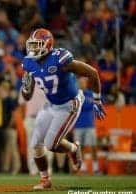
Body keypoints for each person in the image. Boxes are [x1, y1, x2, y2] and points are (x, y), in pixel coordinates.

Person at [21, 28, 106, 190]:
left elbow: (92, 73)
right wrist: (25, 87)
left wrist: (96, 99)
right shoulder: (28, 62)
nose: (33, 49)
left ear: (48, 44)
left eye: (37, 45)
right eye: (31, 45)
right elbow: (27, 96)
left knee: (51, 144)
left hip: (70, 103)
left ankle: (73, 148)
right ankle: (45, 180)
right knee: (36, 143)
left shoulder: (60, 58)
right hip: (51, 104)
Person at [74, 77, 100, 174]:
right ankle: (83, 169)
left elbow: (96, 104)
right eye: (80, 82)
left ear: (86, 83)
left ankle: (96, 169)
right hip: (78, 126)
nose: (82, 84)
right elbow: (80, 106)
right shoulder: (75, 94)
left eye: (83, 82)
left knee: (93, 147)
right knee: (80, 149)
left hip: (90, 125)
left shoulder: (90, 94)